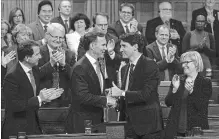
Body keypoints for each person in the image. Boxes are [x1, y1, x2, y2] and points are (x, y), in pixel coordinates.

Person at [2, 40, 64, 139]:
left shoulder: (33, 69)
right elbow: (15, 105)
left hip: (33, 124)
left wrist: (51, 62)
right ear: (27, 58)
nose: (40, 57)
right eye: (37, 54)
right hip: (17, 129)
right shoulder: (12, 76)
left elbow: (40, 73)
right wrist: (40, 99)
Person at [110, 32, 163, 139]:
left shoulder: (150, 65)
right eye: (120, 46)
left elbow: (145, 94)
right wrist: (116, 102)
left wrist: (121, 93)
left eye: (124, 46)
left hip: (148, 127)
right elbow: (127, 95)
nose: (120, 49)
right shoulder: (125, 68)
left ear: (135, 47)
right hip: (130, 126)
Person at [65, 31, 117, 133]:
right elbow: (83, 96)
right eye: (103, 45)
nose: (105, 48)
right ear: (92, 46)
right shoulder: (80, 67)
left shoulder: (98, 63)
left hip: (96, 120)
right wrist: (106, 100)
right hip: (83, 123)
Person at [164, 51, 212, 138]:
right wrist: (174, 89)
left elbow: (201, 106)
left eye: (187, 62)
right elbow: (168, 102)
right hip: (175, 129)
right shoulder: (178, 79)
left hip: (195, 130)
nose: (183, 65)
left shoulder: (205, 82)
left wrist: (192, 92)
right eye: (182, 63)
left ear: (196, 63)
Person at [38, 23, 75, 107]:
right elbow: (35, 75)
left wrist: (64, 65)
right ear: (47, 36)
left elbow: (75, 77)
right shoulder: (38, 53)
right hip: (45, 101)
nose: (58, 40)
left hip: (65, 102)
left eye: (61, 37)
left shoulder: (69, 54)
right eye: (55, 37)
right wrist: (50, 63)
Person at [77, 12, 122, 83]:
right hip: (91, 79)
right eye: (100, 25)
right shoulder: (85, 39)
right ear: (94, 25)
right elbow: (80, 59)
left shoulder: (114, 40)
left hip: (109, 80)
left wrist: (111, 53)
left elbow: (120, 60)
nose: (103, 28)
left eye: (106, 25)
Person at [191, 0, 219, 69]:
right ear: (204, 1)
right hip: (204, 49)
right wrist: (205, 21)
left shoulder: (218, 13)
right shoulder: (197, 13)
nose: (210, 1)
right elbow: (193, 30)